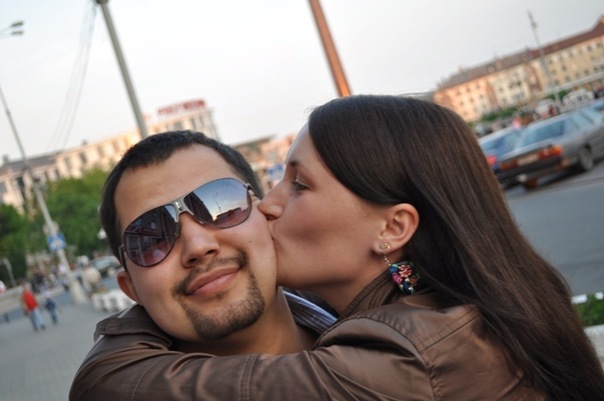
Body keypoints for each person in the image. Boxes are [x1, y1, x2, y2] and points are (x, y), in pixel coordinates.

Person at [71, 96, 604, 400]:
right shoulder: (385, 312)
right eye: (150, 239)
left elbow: (106, 384)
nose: (196, 243)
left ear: (394, 228)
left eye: (221, 203)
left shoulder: (417, 353)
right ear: (128, 286)